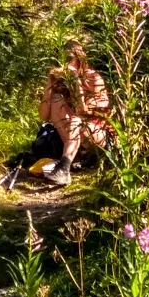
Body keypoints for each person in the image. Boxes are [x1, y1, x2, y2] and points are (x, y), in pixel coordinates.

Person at [36, 38, 112, 186]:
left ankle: (64, 167)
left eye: (69, 59)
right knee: (56, 100)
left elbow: (83, 113)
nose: (65, 64)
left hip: (98, 134)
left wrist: (76, 81)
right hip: (73, 134)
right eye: (61, 60)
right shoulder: (60, 81)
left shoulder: (93, 78)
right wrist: (49, 84)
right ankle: (73, 157)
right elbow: (43, 116)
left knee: (77, 121)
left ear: (79, 58)